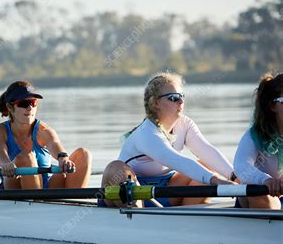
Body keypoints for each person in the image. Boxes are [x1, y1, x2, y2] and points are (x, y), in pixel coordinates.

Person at [100, 72, 237, 208]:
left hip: (167, 191)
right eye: (173, 97)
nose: (181, 101)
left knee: (207, 164)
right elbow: (175, 159)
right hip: (130, 193)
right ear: (155, 103)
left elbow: (207, 151)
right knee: (115, 168)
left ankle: (188, 216)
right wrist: (216, 180)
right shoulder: (147, 133)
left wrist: (235, 178)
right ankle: (137, 216)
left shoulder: (185, 124)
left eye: (182, 96)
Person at [0, 81, 92, 189]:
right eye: (23, 104)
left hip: (43, 186)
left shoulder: (44, 130)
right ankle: (34, 201)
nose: (30, 108)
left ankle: (73, 201)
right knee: (26, 157)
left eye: (33, 103)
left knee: (84, 154)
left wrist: (63, 158)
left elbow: (55, 144)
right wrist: (6, 163)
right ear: (10, 108)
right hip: (13, 185)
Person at [234, 72, 283, 209]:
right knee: (259, 195)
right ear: (273, 107)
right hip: (259, 198)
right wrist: (266, 180)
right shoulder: (253, 135)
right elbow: (241, 167)